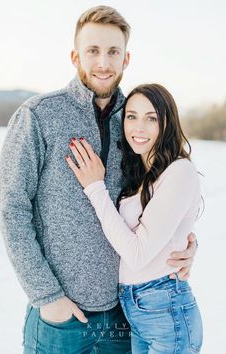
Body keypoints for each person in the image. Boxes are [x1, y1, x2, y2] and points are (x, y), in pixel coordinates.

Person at [0, 6, 197, 354]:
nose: (103, 62)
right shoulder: (39, 116)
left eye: (113, 52)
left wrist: (183, 247)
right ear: (75, 57)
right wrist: (47, 296)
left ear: (126, 59)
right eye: (93, 51)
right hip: (60, 318)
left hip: (123, 316)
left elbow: (160, 200)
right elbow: (10, 209)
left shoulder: (135, 123)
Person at [66, 83, 203, 353]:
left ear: (167, 123)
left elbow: (138, 254)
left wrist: (95, 188)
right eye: (131, 116)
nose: (138, 128)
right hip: (138, 310)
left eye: (151, 118)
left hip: (165, 309)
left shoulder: (179, 171)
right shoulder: (142, 173)